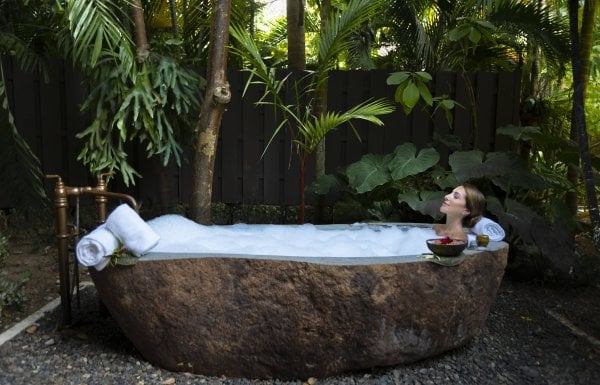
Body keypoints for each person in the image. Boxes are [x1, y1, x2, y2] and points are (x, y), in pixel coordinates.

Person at [433, 183, 505, 243]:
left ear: (466, 211)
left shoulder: (459, 238)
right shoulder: (437, 228)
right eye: (451, 193)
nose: (446, 196)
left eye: (456, 196)